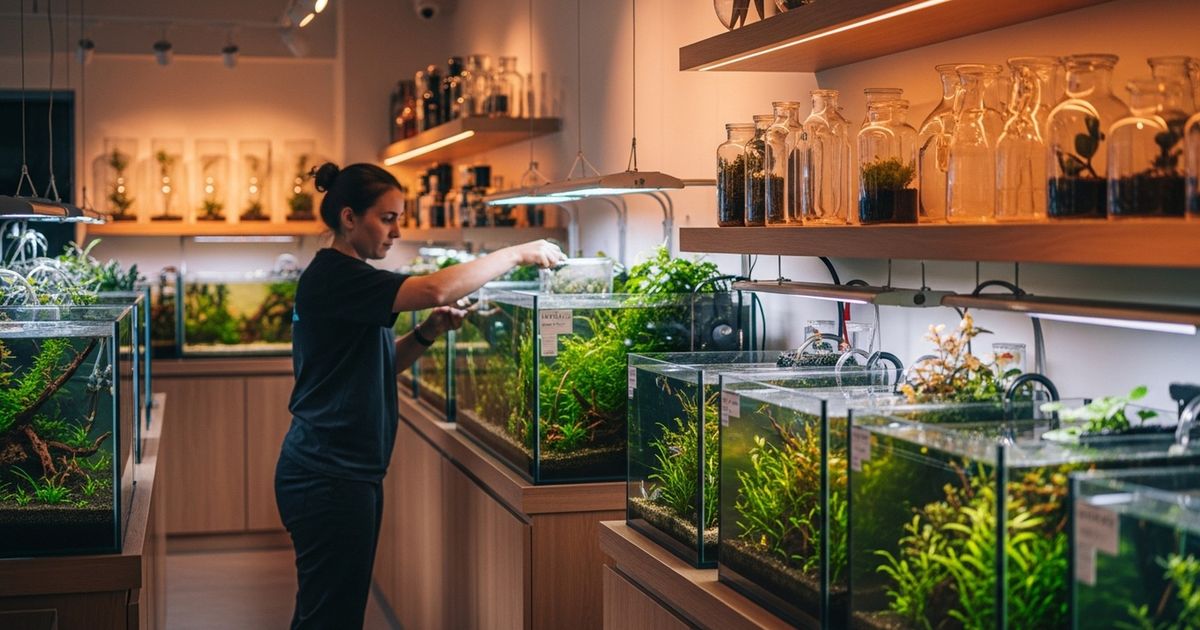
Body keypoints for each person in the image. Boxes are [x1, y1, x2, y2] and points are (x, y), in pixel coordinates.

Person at [274, 162, 564, 629]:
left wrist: (427, 333)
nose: (396, 231)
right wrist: (517, 252)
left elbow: (377, 365)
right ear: (349, 217)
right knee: (330, 618)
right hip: (328, 477)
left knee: (331, 613)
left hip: (341, 474)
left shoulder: (350, 279)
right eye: (387, 218)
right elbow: (435, 287)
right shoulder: (337, 275)